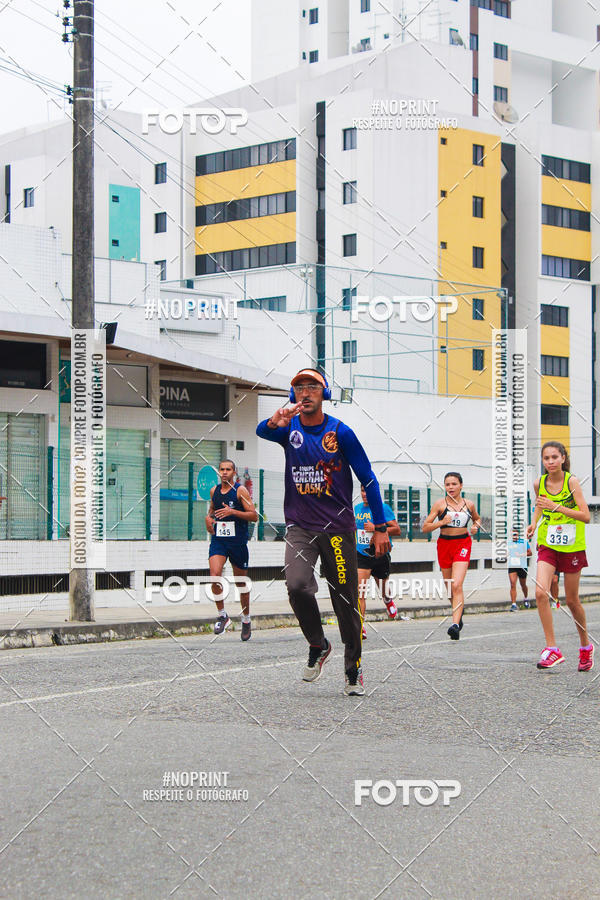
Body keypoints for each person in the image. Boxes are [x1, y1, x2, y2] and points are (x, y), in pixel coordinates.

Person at [256, 367, 391, 696]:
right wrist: (275, 421)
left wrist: (380, 528)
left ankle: (353, 668)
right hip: (300, 526)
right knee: (297, 584)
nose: (306, 392)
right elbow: (262, 431)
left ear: (324, 392)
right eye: (299, 387)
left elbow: (368, 478)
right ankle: (318, 644)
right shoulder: (289, 429)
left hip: (337, 529)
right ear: (293, 395)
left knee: (344, 599)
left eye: (312, 386)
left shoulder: (340, 433)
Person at [526, 441, 593, 671]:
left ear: (563, 458)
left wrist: (557, 507)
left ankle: (585, 647)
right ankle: (552, 648)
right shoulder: (539, 482)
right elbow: (539, 506)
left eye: (555, 457)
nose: (551, 462)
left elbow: (585, 516)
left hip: (572, 544)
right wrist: (533, 523)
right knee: (540, 592)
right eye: (546, 458)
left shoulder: (571, 481)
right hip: (548, 542)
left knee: (572, 601)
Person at [422, 472, 481, 640]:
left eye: (454, 484)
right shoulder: (440, 505)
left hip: (462, 544)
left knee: (457, 585)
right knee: (449, 588)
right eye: (447, 484)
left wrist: (475, 527)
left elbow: (477, 519)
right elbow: (425, 527)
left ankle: (455, 625)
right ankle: (458, 612)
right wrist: (441, 522)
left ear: (461, 485)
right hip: (444, 544)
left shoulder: (469, 504)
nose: (451, 487)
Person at [206, 459, 258, 640]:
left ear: (234, 472)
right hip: (219, 541)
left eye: (228, 469)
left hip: (238, 543)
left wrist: (233, 512)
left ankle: (246, 619)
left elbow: (253, 516)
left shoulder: (240, 491)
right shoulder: (214, 491)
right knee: (214, 575)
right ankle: (222, 615)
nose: (225, 472)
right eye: (222, 469)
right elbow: (212, 510)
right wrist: (208, 519)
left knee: (241, 583)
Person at [354, 484, 401, 638]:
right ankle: (359, 627)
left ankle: (387, 600)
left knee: (383, 589)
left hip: (380, 553)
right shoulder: (357, 509)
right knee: (359, 592)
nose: (365, 494)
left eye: (367, 491)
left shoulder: (383, 508)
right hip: (362, 554)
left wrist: (376, 528)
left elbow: (397, 529)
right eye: (362, 491)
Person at [508, 532, 532, 610]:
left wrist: (521, 554)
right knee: (512, 584)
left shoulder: (524, 542)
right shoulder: (509, 543)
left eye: (516, 535)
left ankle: (526, 598)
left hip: (522, 566)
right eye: (513, 535)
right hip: (512, 566)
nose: (515, 536)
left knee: (523, 585)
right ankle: (514, 604)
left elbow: (530, 553)